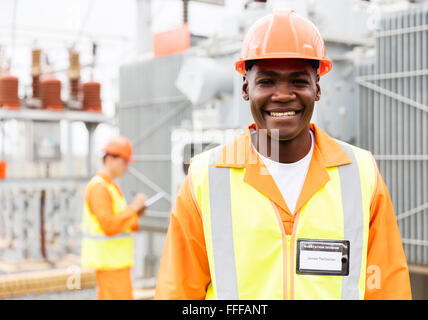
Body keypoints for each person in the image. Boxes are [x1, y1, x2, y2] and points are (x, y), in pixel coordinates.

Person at [155, 9, 412, 300]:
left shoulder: (361, 173)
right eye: (266, 81)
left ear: (317, 88)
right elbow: (178, 292)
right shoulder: (205, 178)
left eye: (298, 81)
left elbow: (389, 288)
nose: (283, 95)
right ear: (245, 88)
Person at [81, 135, 147, 300]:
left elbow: (119, 221)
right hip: (110, 263)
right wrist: (134, 208)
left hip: (115, 262)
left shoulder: (110, 186)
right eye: (124, 162)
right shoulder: (99, 188)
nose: (126, 167)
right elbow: (109, 226)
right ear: (110, 159)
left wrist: (136, 211)